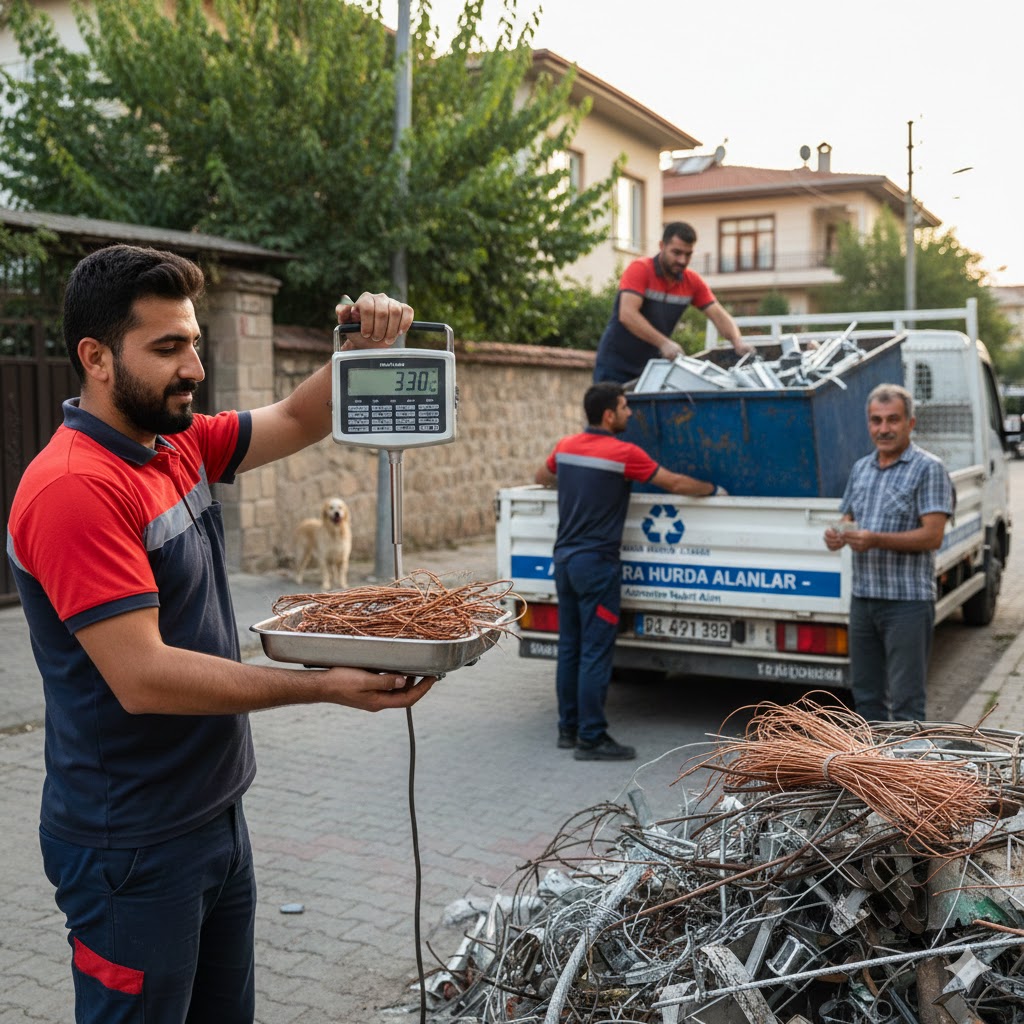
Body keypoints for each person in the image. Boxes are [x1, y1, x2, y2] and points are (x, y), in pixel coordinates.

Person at [6, 244, 437, 1024]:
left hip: (212, 815)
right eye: (168, 348)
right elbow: (145, 677)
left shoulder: (174, 443)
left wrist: (359, 350)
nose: (195, 367)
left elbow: (303, 415)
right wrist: (323, 687)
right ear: (95, 358)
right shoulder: (75, 488)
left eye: (195, 341)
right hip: (131, 847)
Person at [535, 382, 726, 760]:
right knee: (594, 652)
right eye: (624, 408)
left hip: (565, 562)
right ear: (608, 414)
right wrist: (712, 490)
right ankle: (591, 738)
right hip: (597, 567)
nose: (629, 413)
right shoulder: (624, 453)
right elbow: (673, 482)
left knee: (570, 648)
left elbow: (541, 476)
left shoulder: (566, 446)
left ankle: (567, 729)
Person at [823, 382, 954, 722]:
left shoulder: (929, 468)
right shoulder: (861, 468)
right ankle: (872, 774)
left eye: (892, 420)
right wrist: (837, 535)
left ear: (910, 423)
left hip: (906, 604)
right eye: (876, 420)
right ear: (868, 423)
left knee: (907, 703)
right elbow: (848, 518)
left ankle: (906, 774)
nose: (883, 429)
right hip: (864, 599)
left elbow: (933, 535)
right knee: (865, 699)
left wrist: (877, 539)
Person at [592, 221, 752, 385]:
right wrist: (663, 343)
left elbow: (718, 314)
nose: (682, 260)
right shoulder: (640, 269)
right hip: (615, 365)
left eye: (688, 254)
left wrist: (737, 342)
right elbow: (627, 314)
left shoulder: (692, 282)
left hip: (650, 368)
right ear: (662, 246)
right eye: (676, 252)